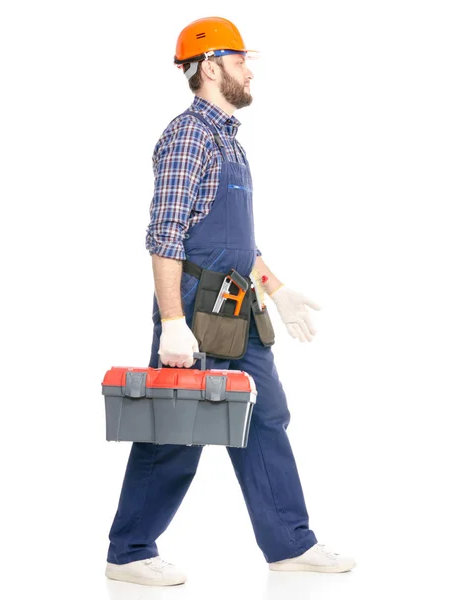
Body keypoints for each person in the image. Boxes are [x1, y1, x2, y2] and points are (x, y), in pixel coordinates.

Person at [105, 16, 356, 587]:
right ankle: (129, 551)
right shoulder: (186, 137)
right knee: (178, 429)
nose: (248, 69)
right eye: (240, 61)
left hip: (240, 308)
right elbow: (165, 235)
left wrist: (279, 289)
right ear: (210, 67)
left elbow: (240, 243)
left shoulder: (229, 143)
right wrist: (172, 322)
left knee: (265, 418)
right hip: (195, 312)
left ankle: (289, 543)